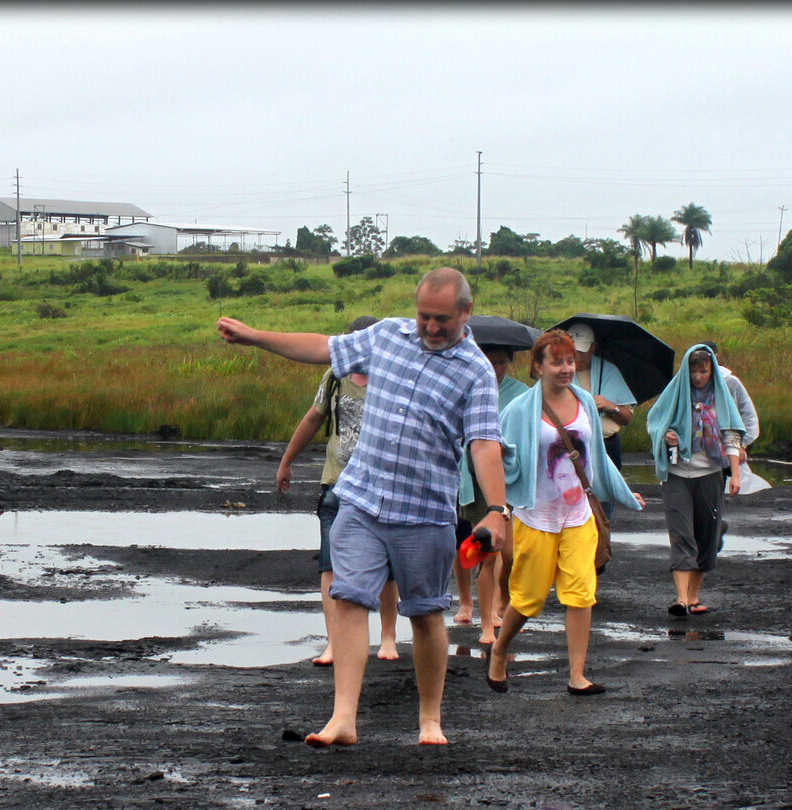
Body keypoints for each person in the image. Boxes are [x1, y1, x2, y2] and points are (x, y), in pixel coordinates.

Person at [218, 267, 512, 747]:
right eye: (424, 316)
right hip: (360, 499)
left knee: (425, 614)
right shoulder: (387, 336)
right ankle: (343, 719)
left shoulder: (476, 371)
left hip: (424, 511)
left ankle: (430, 720)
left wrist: (497, 510)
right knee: (350, 598)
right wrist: (255, 337)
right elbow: (322, 347)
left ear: (466, 312)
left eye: (442, 319)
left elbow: (483, 444)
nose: (431, 327)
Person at [472, 329, 644, 696]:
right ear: (538, 367)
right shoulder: (518, 410)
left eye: (569, 361)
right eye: (557, 362)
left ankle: (577, 675)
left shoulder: (584, 403)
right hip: (537, 515)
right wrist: (500, 503)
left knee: (581, 594)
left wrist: (625, 493)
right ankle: (500, 649)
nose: (566, 368)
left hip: (578, 515)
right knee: (529, 598)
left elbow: (595, 458)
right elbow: (502, 461)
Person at [276, 315, 400, 663]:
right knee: (330, 565)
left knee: (388, 568)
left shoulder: (393, 380)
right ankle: (334, 643)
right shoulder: (334, 378)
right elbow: (313, 418)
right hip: (337, 482)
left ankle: (388, 637)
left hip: (382, 484)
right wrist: (287, 461)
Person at [642, 343, 747, 617]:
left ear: (712, 370)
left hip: (710, 475)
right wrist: (665, 435)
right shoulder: (676, 394)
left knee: (706, 536)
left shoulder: (721, 398)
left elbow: (732, 436)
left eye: (704, 371)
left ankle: (694, 596)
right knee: (681, 535)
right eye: (694, 371)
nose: (699, 377)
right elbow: (654, 421)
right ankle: (680, 598)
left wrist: (735, 474)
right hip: (677, 474)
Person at [456, 346, 525, 633]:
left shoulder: (521, 392)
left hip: (507, 475)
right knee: (468, 543)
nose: (497, 368)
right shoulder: (465, 386)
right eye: (491, 362)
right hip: (470, 475)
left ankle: (499, 602)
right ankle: (468, 604)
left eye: (502, 362)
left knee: (506, 553)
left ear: (510, 362)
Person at [567, 324, 637, 468]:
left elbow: (627, 419)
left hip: (607, 446)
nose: (577, 356)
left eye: (582, 351)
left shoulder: (609, 371)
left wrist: (611, 407)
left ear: (593, 347)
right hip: (570, 447)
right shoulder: (559, 375)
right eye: (572, 351)